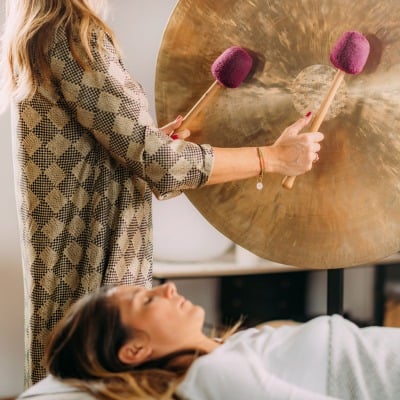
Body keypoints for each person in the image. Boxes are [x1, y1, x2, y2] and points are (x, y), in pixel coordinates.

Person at [0, 0, 324, 387]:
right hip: (93, 259)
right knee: (94, 377)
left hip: (72, 251)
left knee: (74, 374)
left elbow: (107, 150)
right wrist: (272, 158)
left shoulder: (44, 30)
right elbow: (161, 165)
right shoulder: (70, 32)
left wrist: (153, 141)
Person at [22, 282, 398, 400]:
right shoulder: (213, 373)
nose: (168, 288)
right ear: (135, 350)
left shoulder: (228, 351)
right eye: (148, 300)